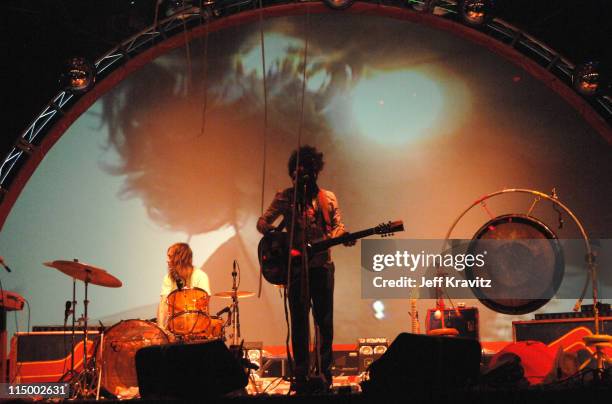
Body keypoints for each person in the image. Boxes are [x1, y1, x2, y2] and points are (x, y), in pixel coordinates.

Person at [257, 145, 354, 392]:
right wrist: (276, 241)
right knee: (299, 323)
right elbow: (262, 222)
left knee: (324, 323)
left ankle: (324, 375)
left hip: (322, 267)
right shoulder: (285, 197)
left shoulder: (327, 198)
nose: (299, 177)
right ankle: (300, 375)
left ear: (314, 173)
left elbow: (337, 227)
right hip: (296, 270)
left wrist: (343, 235)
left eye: (304, 173)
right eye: (295, 173)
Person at [157, 242, 211, 329]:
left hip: (196, 327)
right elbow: (163, 304)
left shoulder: (200, 276)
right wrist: (160, 328)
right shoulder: (168, 278)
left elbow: (204, 305)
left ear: (180, 258)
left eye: (170, 257)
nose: (167, 260)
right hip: (174, 327)